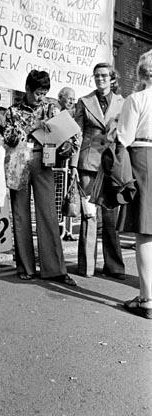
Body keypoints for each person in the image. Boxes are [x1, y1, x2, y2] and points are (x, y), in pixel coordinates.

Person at [3, 70, 76, 285]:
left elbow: (66, 136)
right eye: (37, 93)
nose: (41, 97)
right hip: (19, 161)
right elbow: (9, 138)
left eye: (44, 93)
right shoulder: (12, 110)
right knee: (20, 214)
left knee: (48, 213)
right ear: (26, 90)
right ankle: (26, 267)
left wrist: (67, 146)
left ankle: (55, 269)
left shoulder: (52, 108)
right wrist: (30, 127)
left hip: (45, 161)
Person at [70, 63, 125, 279]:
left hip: (111, 163)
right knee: (89, 214)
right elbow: (77, 134)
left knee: (111, 216)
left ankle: (114, 267)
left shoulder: (123, 102)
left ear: (112, 79)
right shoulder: (84, 102)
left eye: (104, 76)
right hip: (88, 162)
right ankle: (87, 266)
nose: (100, 79)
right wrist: (73, 165)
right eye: (96, 76)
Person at [117, 50, 152, 319]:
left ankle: (147, 298)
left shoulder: (136, 99)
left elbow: (124, 138)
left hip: (143, 159)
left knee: (145, 233)